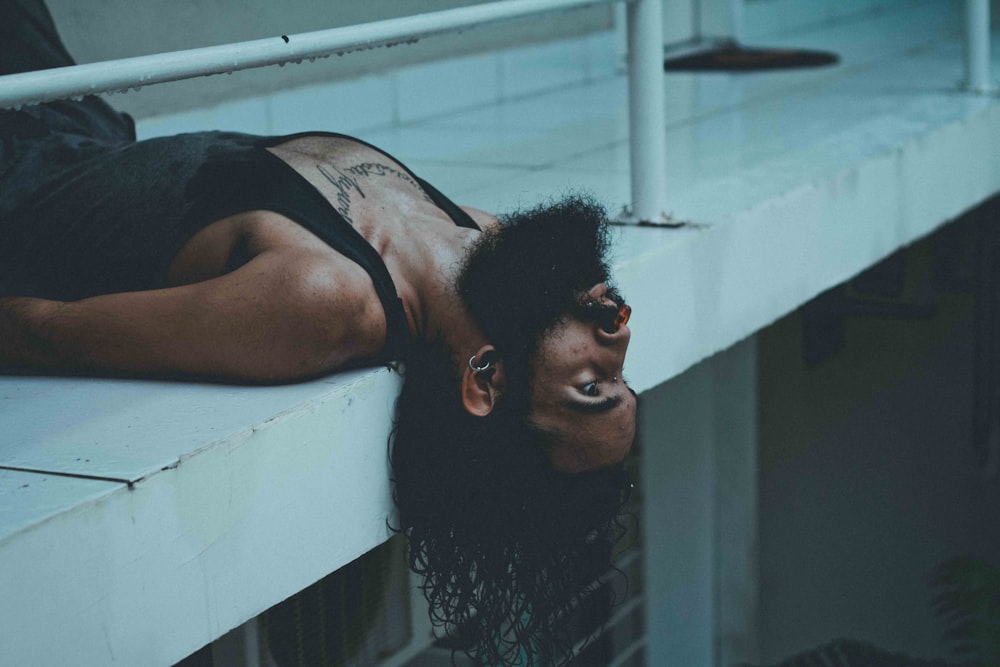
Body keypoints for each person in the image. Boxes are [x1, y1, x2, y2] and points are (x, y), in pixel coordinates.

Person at [0, 1, 637, 664]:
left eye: (593, 384)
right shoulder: (480, 238)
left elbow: (42, 331)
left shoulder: (325, 304)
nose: (616, 337)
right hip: (82, 131)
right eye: (624, 372)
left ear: (485, 376)